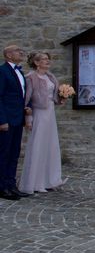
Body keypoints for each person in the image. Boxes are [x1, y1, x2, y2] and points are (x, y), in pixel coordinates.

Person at [19, 52, 66, 194]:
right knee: (38, 145)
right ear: (36, 62)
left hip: (50, 113)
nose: (47, 61)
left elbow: (53, 97)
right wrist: (28, 119)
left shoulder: (51, 77)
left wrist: (62, 97)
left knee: (50, 144)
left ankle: (49, 179)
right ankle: (35, 182)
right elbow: (26, 100)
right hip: (38, 114)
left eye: (48, 58)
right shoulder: (31, 78)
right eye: (44, 59)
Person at [0, 45, 30, 200]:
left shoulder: (19, 72)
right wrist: (2, 120)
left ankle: (11, 184)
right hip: (7, 120)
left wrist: (27, 108)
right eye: (18, 51)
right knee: (3, 153)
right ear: (9, 55)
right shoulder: (2, 71)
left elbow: (20, 95)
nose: (21, 52)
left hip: (18, 119)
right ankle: (2, 187)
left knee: (14, 153)